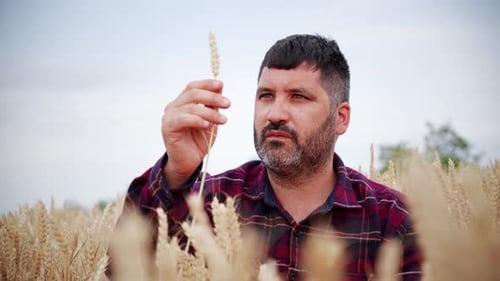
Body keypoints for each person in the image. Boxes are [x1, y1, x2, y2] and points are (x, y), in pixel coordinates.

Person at [108, 34, 423, 280]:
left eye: (298, 97)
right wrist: (176, 173)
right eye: (265, 96)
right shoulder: (209, 203)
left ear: (341, 118)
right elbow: (121, 272)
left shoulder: (391, 220)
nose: (274, 114)